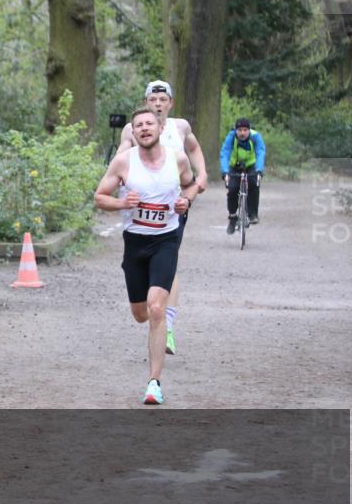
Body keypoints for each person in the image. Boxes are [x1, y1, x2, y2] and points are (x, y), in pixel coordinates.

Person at [95, 107, 199, 405]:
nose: (144, 128)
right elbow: (100, 196)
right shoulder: (123, 162)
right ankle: (153, 324)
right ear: (133, 132)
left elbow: (191, 184)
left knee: (156, 309)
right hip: (135, 244)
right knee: (140, 313)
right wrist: (121, 202)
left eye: (149, 124)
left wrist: (185, 200)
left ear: (159, 128)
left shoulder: (176, 159)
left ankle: (154, 383)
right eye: (138, 125)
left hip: (165, 241)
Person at [116, 80, 207, 356]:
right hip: (141, 210)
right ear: (146, 103)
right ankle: (156, 313)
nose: (157, 104)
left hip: (174, 207)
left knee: (169, 261)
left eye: (162, 100)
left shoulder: (181, 126)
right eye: (152, 100)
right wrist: (117, 171)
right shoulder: (134, 128)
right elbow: (121, 153)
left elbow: (193, 148)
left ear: (170, 103)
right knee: (142, 295)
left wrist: (201, 174)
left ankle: (166, 323)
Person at [220, 117, 266, 234]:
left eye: (245, 130)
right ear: (235, 130)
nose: (242, 133)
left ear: (249, 130)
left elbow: (260, 152)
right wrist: (225, 172)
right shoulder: (231, 137)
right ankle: (232, 217)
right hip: (234, 166)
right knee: (232, 189)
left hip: (251, 166)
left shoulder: (255, 137)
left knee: (254, 184)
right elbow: (225, 153)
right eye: (239, 130)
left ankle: (252, 214)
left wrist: (259, 170)